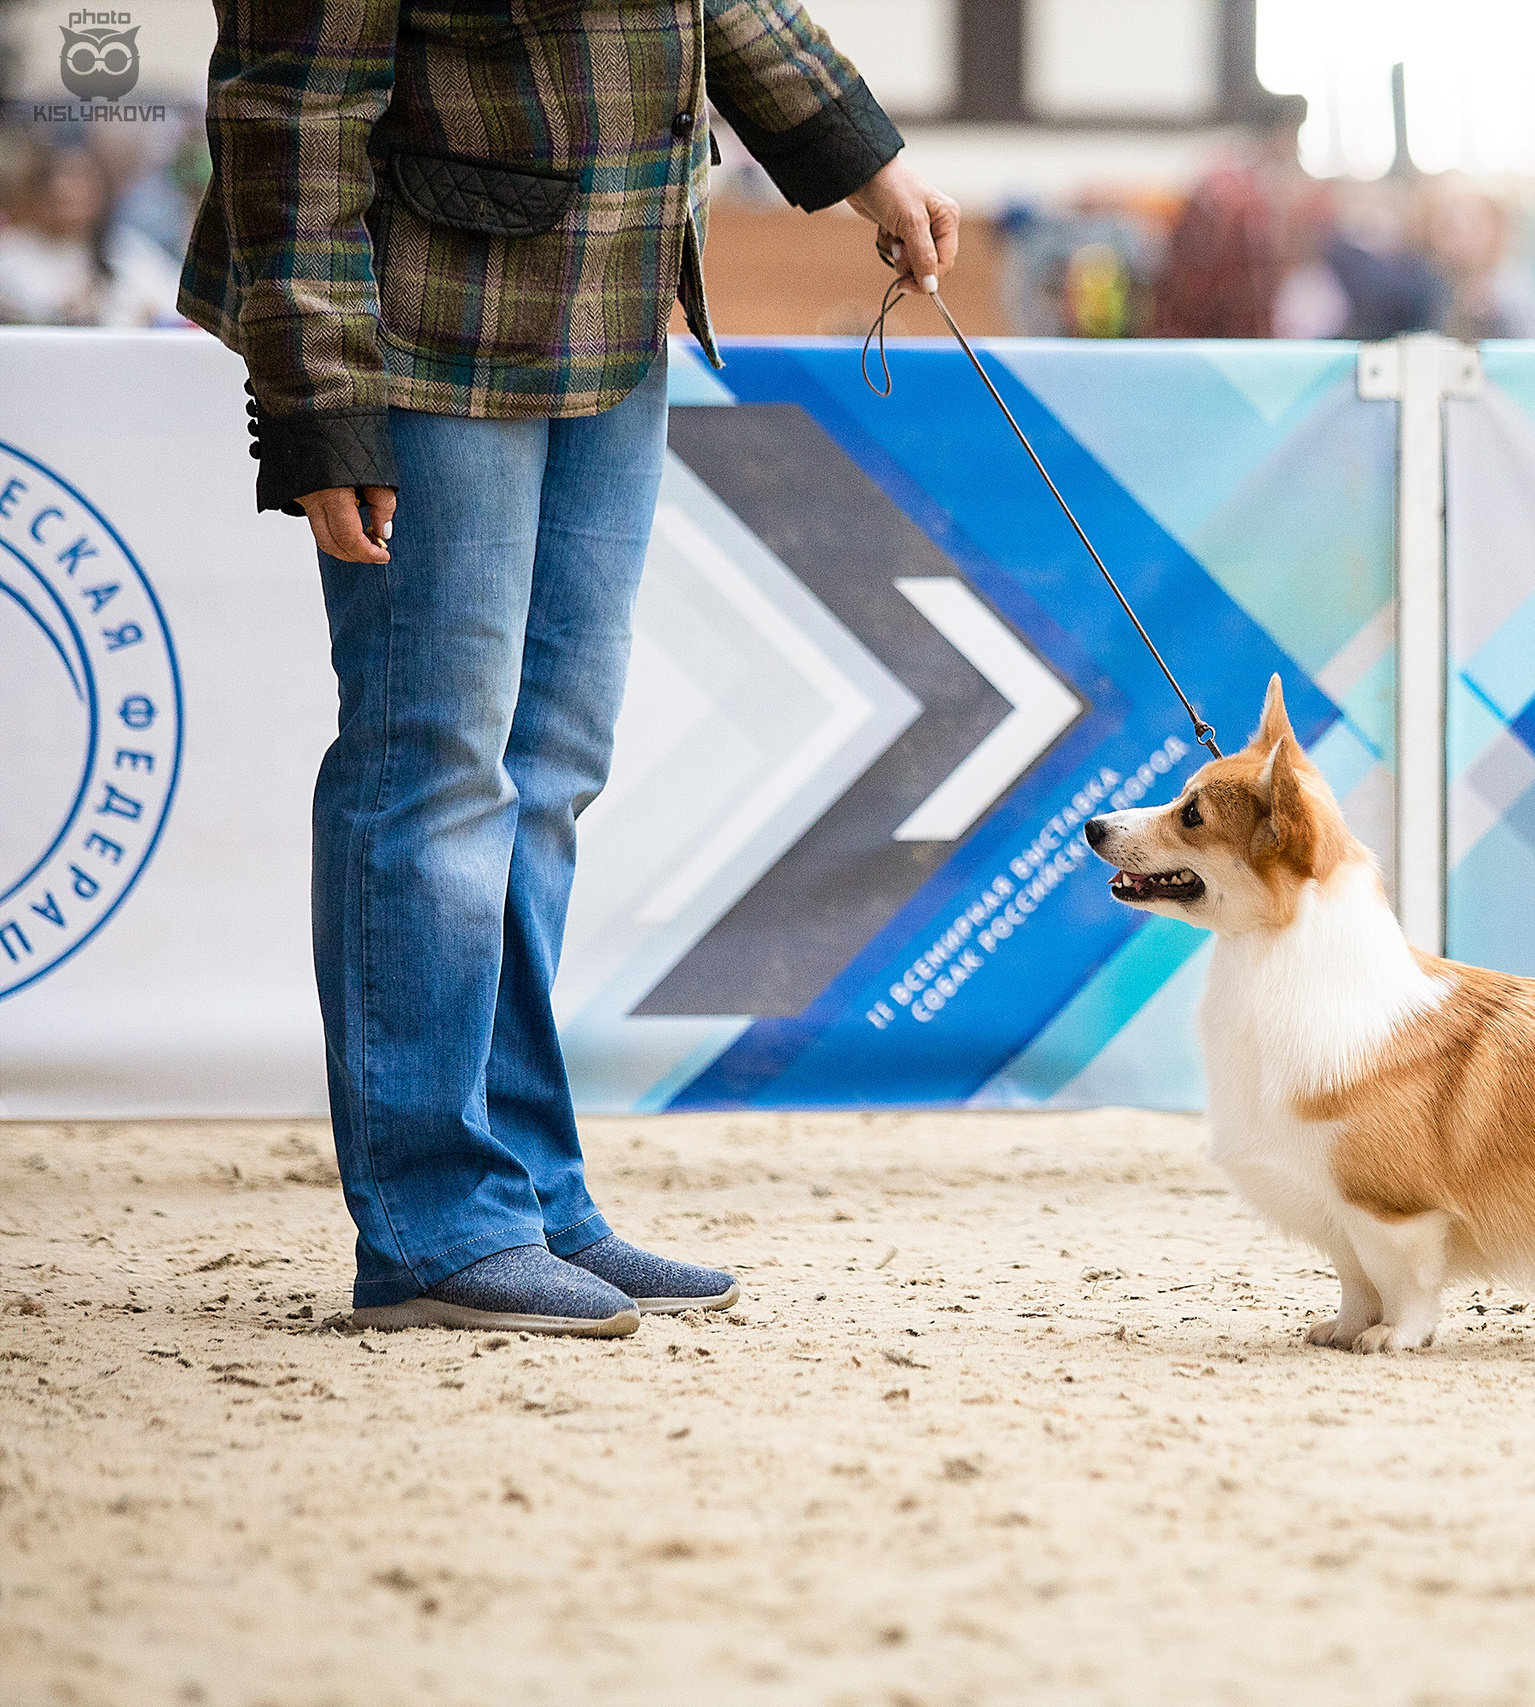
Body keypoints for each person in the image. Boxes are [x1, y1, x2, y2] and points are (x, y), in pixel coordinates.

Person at [178, 0, 958, 1337]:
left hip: (614, 307)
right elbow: (285, 111)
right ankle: (433, 1219)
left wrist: (864, 157)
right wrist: (320, 404)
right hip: (415, 322)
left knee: (547, 770)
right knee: (435, 764)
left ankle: (524, 1188)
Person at [1155, 94, 1306, 338]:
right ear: (1280, 136)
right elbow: (1249, 303)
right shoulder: (1247, 203)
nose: (1298, 149)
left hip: (1177, 333)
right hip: (1214, 345)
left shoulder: (1215, 176)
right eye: (1295, 136)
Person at [0, 139, 180, 327]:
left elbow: (171, 303)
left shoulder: (124, 247)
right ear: (39, 195)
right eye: (63, 182)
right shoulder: (12, 253)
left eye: (82, 181)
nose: (73, 191)